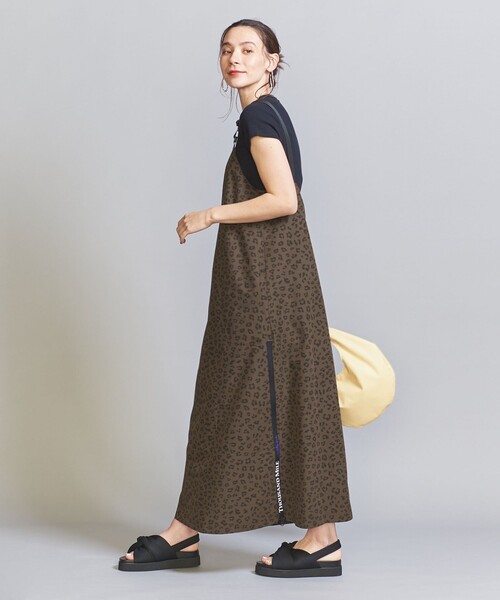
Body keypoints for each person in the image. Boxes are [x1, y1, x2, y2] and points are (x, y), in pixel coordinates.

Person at [118, 18, 353, 578]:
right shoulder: (267, 113)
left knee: (240, 394)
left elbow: (284, 199)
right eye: (227, 50)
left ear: (272, 60)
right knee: (281, 392)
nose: (235, 58)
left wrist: (209, 214)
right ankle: (298, 536)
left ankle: (306, 538)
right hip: (275, 275)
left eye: (249, 49)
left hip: (265, 280)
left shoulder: (259, 116)